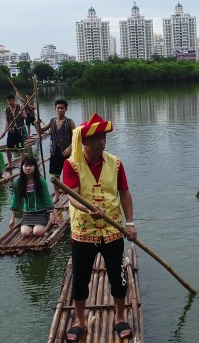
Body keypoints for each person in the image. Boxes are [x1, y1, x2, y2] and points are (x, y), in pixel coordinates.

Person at [62, 113, 137, 342]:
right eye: (96, 138)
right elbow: (72, 197)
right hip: (84, 231)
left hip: (112, 228)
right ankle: (80, 321)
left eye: (103, 137)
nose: (102, 141)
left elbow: (124, 192)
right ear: (84, 142)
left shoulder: (115, 163)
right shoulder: (71, 164)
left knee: (117, 275)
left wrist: (130, 223)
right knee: (81, 277)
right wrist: (88, 209)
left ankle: (120, 317)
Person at [38, 99, 76, 203]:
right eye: (58, 108)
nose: (60, 110)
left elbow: (75, 138)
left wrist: (69, 148)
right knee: (55, 174)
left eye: (62, 108)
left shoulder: (70, 122)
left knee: (68, 173)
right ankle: (56, 195)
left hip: (66, 152)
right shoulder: (51, 121)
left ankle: (69, 194)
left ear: (66, 109)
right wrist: (35, 123)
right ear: (55, 109)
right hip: (54, 151)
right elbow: (40, 131)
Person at [9, 155, 55, 237]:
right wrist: (12, 218)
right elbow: (16, 199)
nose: (28, 168)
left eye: (31, 166)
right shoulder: (18, 183)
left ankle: (49, 223)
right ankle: (35, 225)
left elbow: (47, 198)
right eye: (25, 166)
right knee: (25, 233)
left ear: (35, 167)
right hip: (28, 212)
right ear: (22, 167)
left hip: (42, 211)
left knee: (37, 232)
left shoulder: (41, 181)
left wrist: (52, 213)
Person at [0, 93, 27, 170]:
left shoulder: (20, 107)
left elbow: (26, 117)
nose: (9, 102)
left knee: (21, 148)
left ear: (14, 100)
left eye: (10, 100)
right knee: (8, 148)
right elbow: (7, 122)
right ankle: (10, 164)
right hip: (11, 131)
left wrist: (21, 114)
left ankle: (23, 163)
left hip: (19, 131)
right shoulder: (6, 110)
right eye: (8, 101)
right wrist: (4, 131)